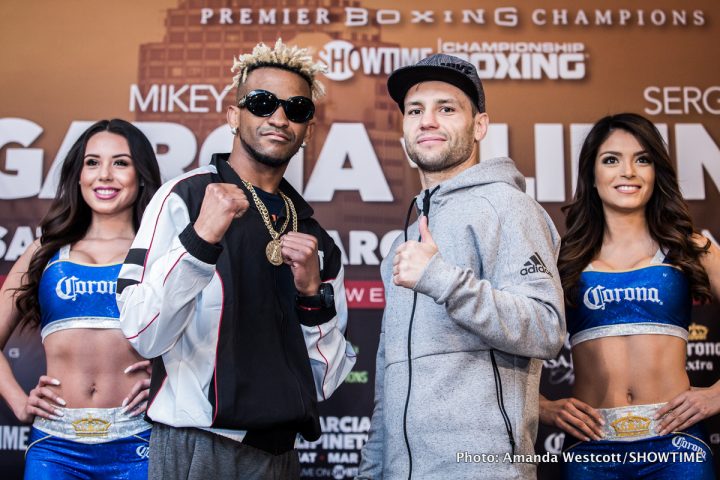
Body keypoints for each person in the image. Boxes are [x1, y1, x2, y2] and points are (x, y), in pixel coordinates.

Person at [116, 39, 356, 480]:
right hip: (198, 445)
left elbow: (326, 382)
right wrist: (201, 239)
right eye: (263, 103)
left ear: (308, 129)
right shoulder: (184, 197)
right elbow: (143, 333)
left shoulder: (315, 236)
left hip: (280, 455)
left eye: (297, 109)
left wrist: (310, 297)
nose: (280, 118)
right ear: (234, 115)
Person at [357, 54, 566, 479]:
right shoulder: (405, 241)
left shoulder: (508, 207)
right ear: (404, 131)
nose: (427, 121)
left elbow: (547, 329)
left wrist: (442, 279)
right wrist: (373, 469)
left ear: (480, 126)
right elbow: (390, 379)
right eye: (416, 111)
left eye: (446, 109)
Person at [539, 113, 720, 478]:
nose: (628, 172)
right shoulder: (562, 259)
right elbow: (502, 339)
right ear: (591, 176)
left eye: (642, 159)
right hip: (592, 451)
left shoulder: (691, 248)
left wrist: (717, 394)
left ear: (656, 172)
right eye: (611, 160)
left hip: (677, 448)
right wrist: (540, 407)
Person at [0, 119, 162, 479]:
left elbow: (207, 340)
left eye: (120, 162)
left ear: (141, 175)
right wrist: (18, 401)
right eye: (92, 162)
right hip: (55, 447)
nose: (104, 174)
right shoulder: (46, 252)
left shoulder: (158, 253)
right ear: (78, 175)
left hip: (139, 442)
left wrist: (167, 382)